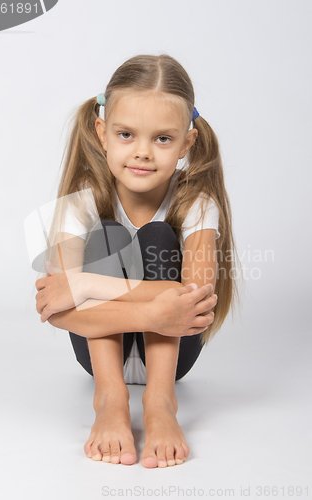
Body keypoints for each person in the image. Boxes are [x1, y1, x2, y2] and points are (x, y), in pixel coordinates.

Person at [34, 54, 240, 468]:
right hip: (97, 354)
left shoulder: (197, 203)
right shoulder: (85, 200)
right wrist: (155, 312)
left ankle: (160, 402)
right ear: (102, 132)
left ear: (187, 143)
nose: (142, 152)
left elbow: (194, 301)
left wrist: (88, 285)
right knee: (106, 234)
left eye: (162, 139)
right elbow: (54, 309)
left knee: (158, 235)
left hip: (174, 350)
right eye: (126, 134)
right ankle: (110, 399)